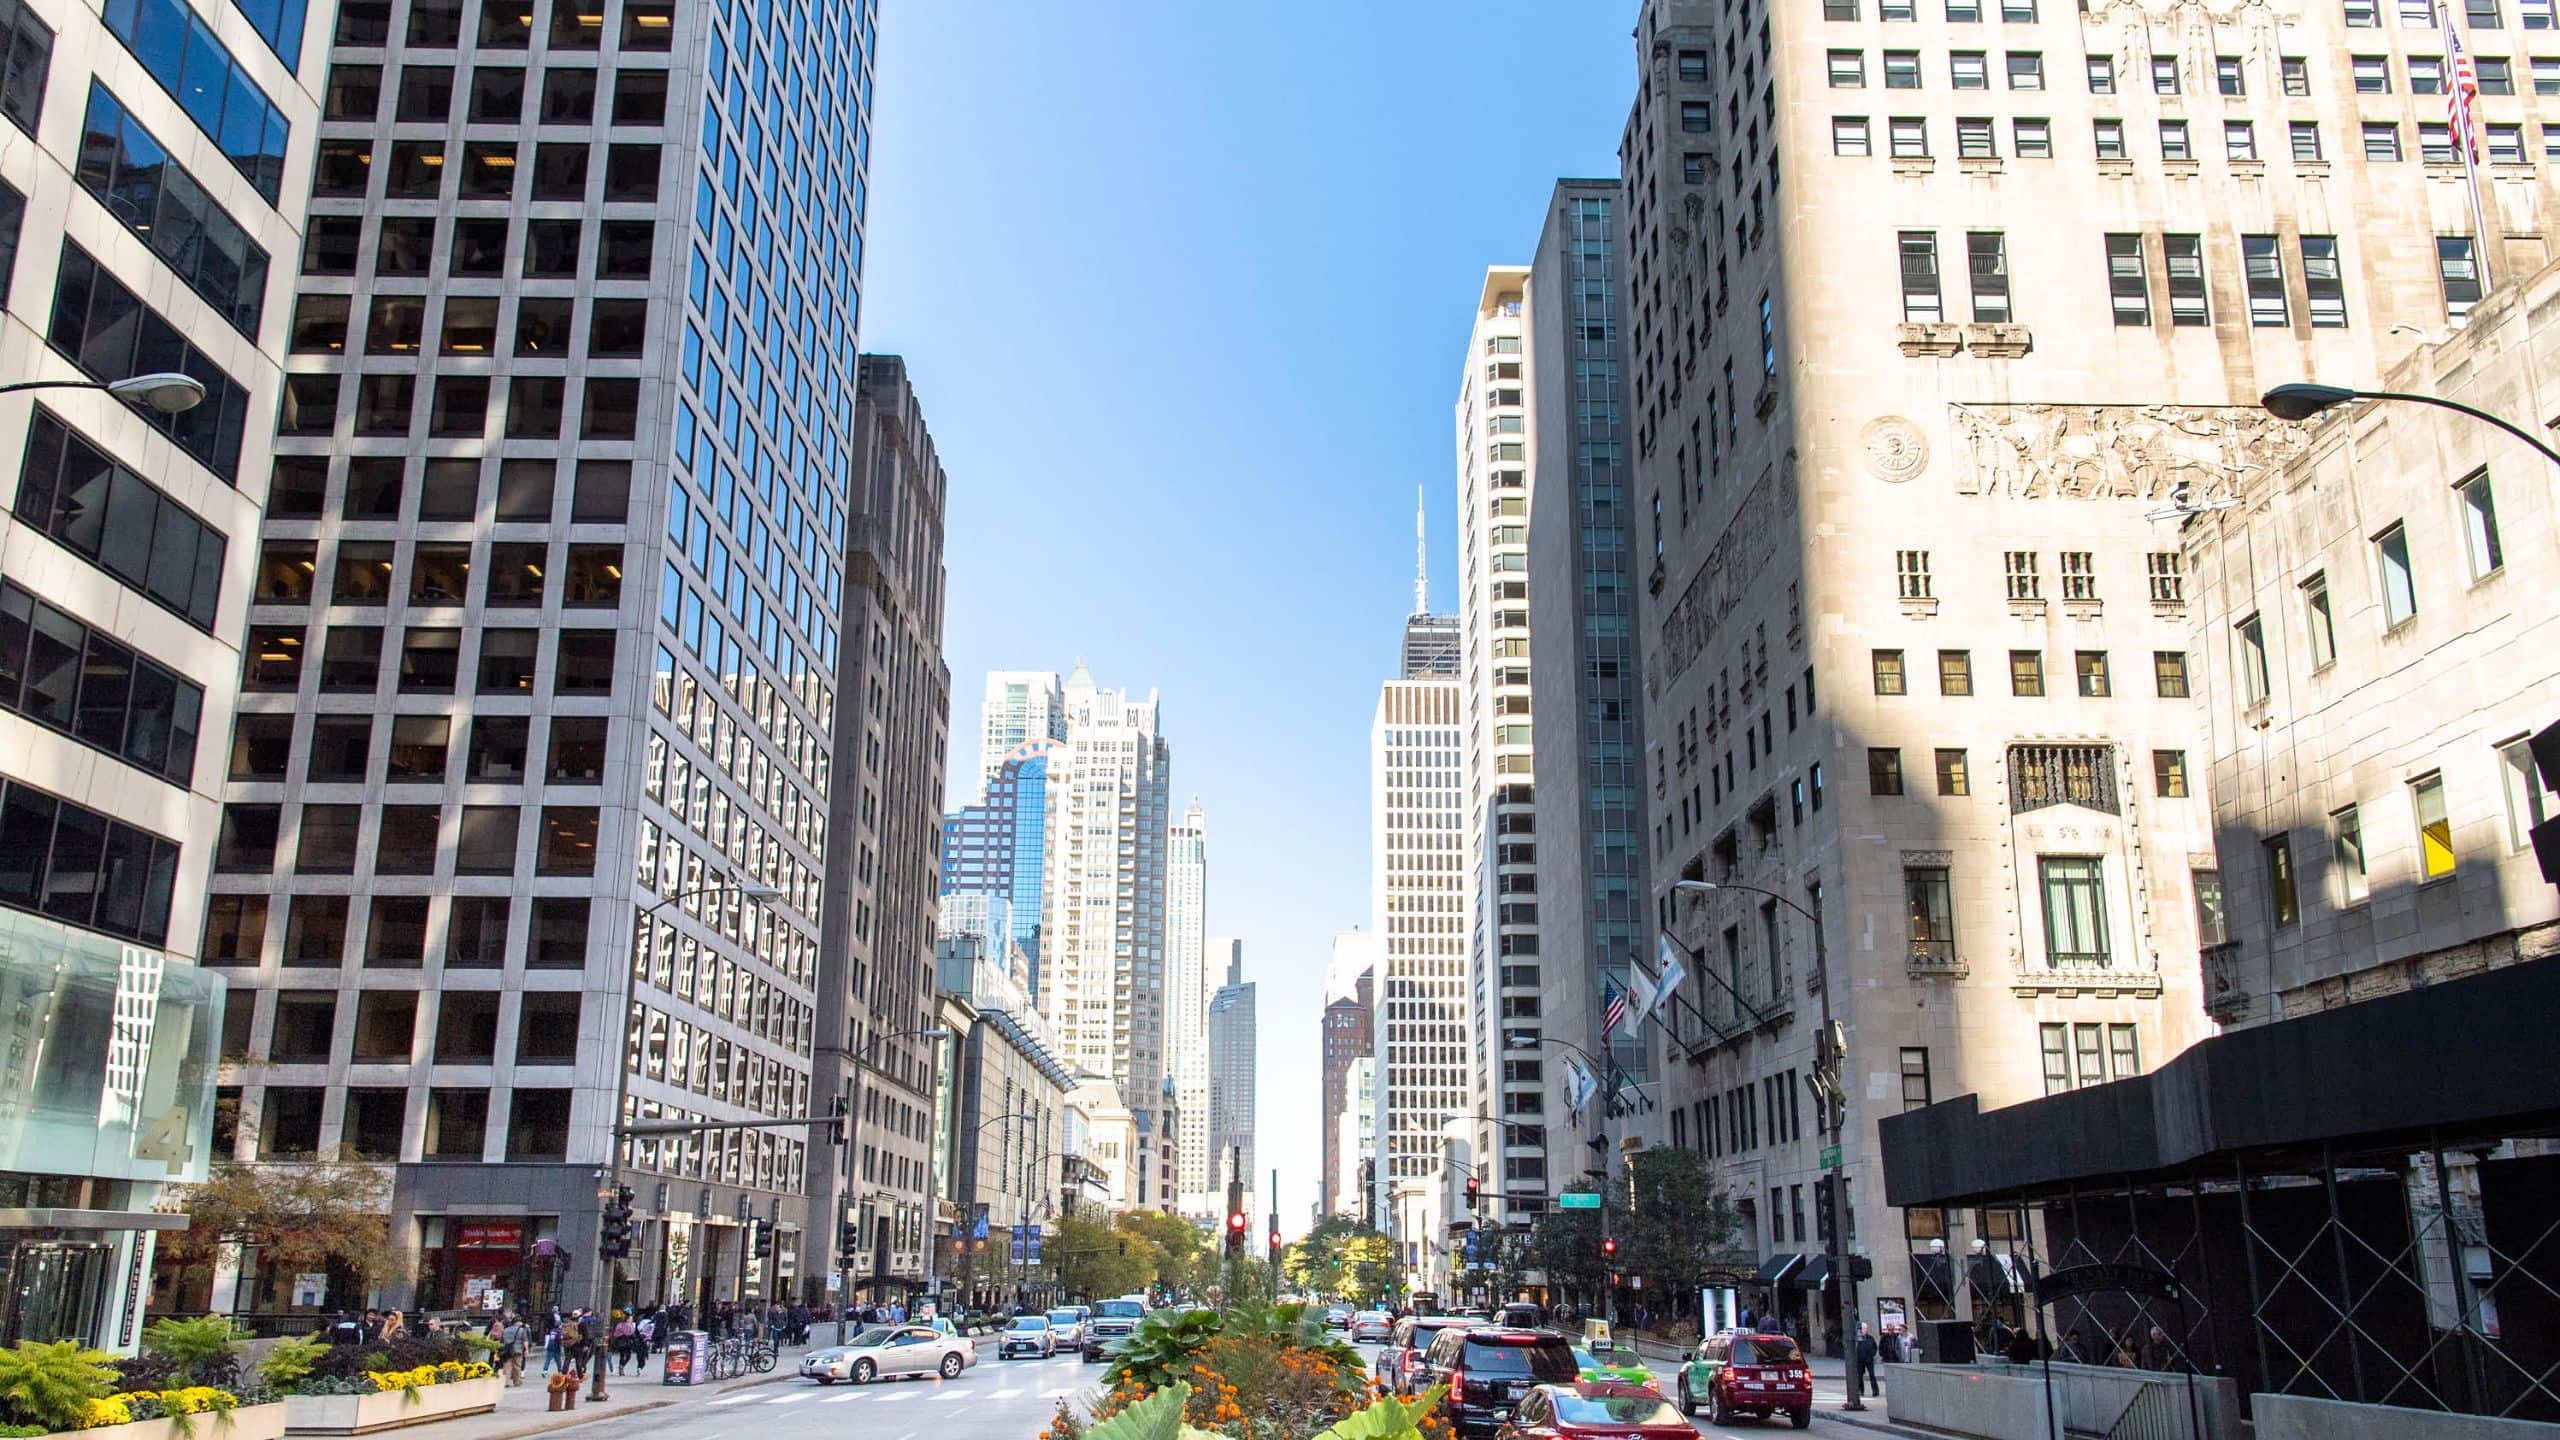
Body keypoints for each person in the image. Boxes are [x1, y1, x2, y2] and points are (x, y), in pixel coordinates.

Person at [1853, 1323, 1881, 1397]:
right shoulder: (1858, 1338)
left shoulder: (1870, 1338)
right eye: (1863, 1329)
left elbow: (1874, 1347)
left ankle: (1875, 1391)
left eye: (1865, 1328)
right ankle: (1860, 1390)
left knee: (1872, 1375)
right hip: (1860, 1360)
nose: (1864, 1330)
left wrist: (1872, 1354)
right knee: (1859, 1376)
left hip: (1869, 1359)